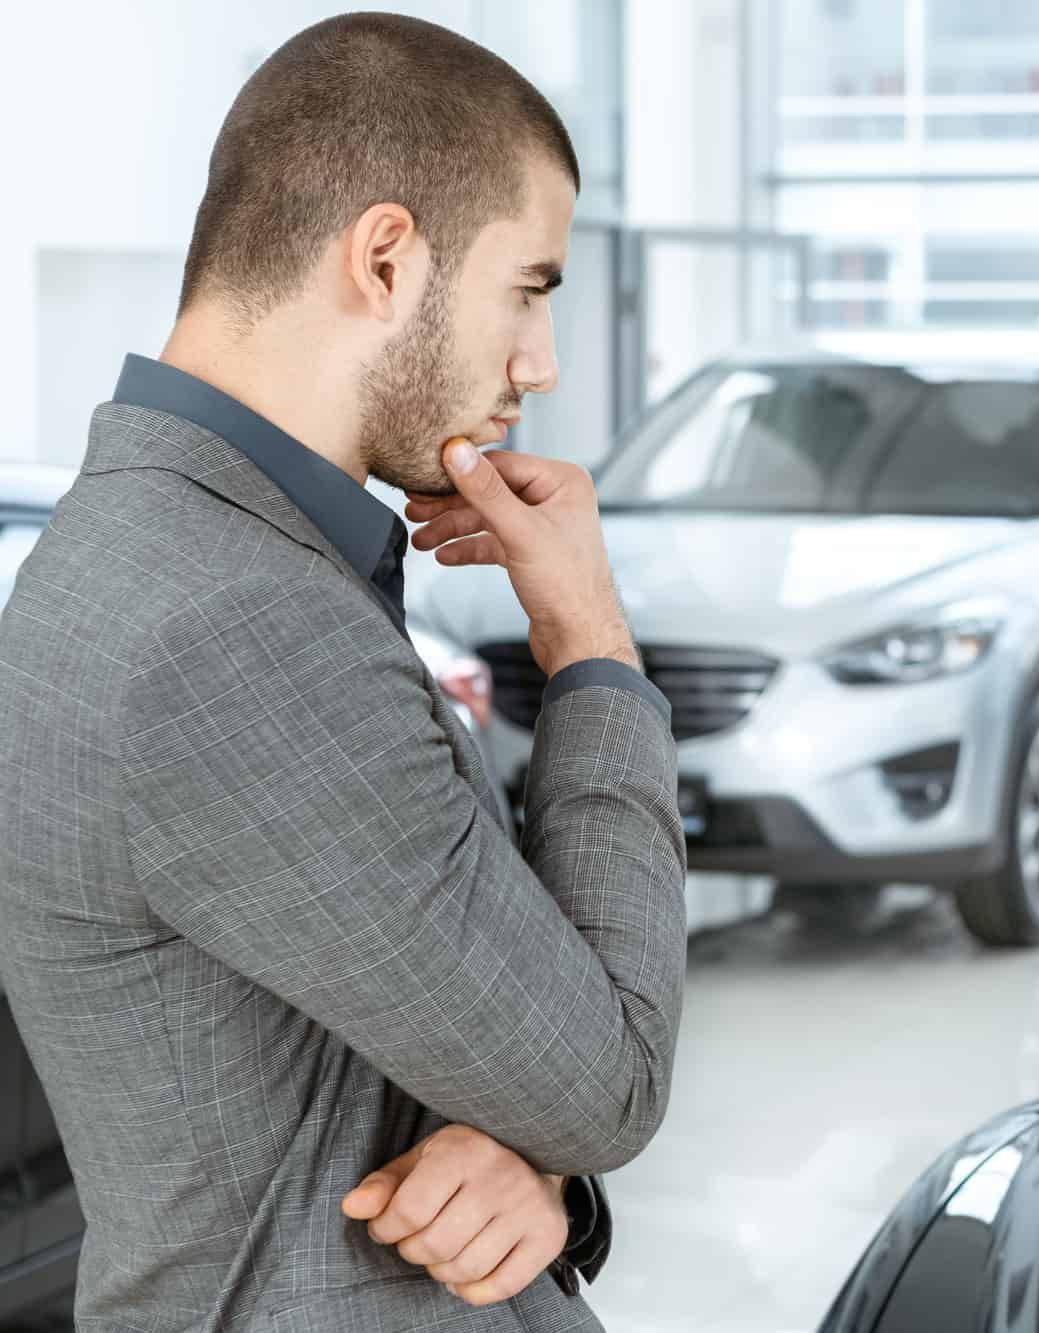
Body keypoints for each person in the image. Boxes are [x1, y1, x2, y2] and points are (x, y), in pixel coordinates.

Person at [0, 13, 686, 1330]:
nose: (538, 363)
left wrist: (537, 1159)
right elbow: (606, 1077)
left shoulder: (172, 546)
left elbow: (439, 1036)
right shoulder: (231, 625)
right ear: (386, 259)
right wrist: (590, 640)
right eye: (529, 290)